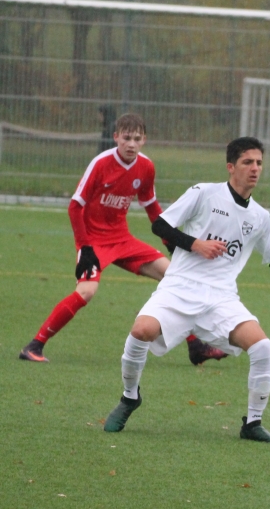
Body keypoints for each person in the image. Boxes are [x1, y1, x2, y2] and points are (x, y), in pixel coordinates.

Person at [103, 137, 270, 443]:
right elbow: (160, 225)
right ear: (231, 167)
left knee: (262, 346)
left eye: (259, 163)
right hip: (179, 288)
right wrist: (195, 244)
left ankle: (253, 423)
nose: (255, 168)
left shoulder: (260, 217)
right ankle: (129, 397)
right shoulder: (204, 193)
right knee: (140, 331)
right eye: (247, 162)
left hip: (221, 298)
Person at [19, 113, 227, 366]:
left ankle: (195, 346)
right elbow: (75, 206)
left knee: (175, 276)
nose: (131, 144)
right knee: (86, 292)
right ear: (116, 137)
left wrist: (170, 241)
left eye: (137, 139)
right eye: (126, 138)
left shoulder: (146, 167)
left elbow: (151, 206)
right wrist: (84, 247)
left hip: (123, 240)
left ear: (144, 140)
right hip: (94, 242)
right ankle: (34, 345)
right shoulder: (101, 163)